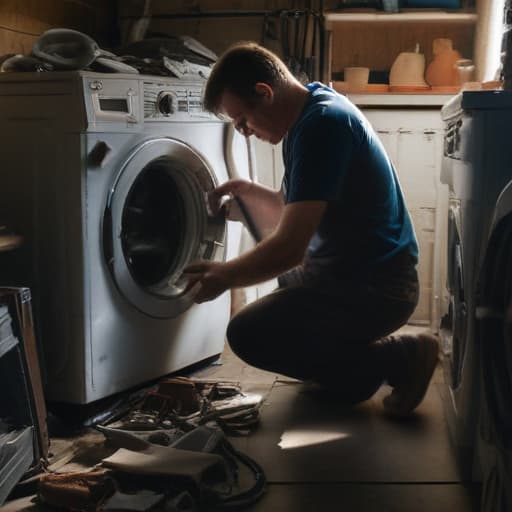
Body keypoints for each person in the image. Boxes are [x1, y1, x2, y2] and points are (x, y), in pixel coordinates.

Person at [184, 41, 439, 416]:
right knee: (288, 290)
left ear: (263, 93)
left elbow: (290, 247)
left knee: (247, 333)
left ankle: (398, 357)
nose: (244, 132)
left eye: (242, 120)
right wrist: (251, 195)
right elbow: (295, 210)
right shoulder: (311, 112)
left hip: (381, 289)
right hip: (364, 277)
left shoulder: (321, 126)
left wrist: (224, 275)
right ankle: (356, 376)